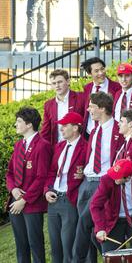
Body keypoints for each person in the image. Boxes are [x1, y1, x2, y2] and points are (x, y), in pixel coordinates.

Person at [73, 92, 124, 263]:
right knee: (92, 228)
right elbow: (91, 155)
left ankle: (76, 259)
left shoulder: (119, 129)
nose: (88, 110)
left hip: (103, 181)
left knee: (83, 221)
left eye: (91, 107)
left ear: (102, 108)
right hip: (87, 182)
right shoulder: (94, 130)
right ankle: (110, 256)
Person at [6, 107, 51, 263]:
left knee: (35, 245)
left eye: (19, 121)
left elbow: (41, 177)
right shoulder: (19, 145)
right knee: (21, 245)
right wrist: (13, 190)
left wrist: (23, 200)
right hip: (15, 203)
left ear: (29, 124)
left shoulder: (43, 145)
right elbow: (10, 173)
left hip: (32, 204)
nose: (16, 125)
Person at [90, 158, 132, 253]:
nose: (113, 177)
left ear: (128, 177)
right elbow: (95, 205)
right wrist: (100, 228)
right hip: (114, 221)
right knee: (111, 255)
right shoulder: (106, 180)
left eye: (117, 176)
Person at [44, 112, 87, 263]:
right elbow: (51, 171)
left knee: (68, 245)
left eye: (65, 126)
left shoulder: (85, 147)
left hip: (70, 200)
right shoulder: (60, 146)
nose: (61, 129)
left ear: (75, 127)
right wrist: (47, 190)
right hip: (53, 199)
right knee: (55, 247)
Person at [41, 69, 86, 146]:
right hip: (57, 148)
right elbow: (46, 131)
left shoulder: (81, 98)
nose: (57, 86)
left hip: (79, 146)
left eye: (60, 82)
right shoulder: (48, 105)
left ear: (68, 81)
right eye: (54, 83)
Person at [81, 57, 121, 136]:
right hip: (89, 132)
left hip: (109, 132)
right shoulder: (87, 88)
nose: (101, 73)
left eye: (102, 69)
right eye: (96, 71)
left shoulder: (117, 88)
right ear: (90, 73)